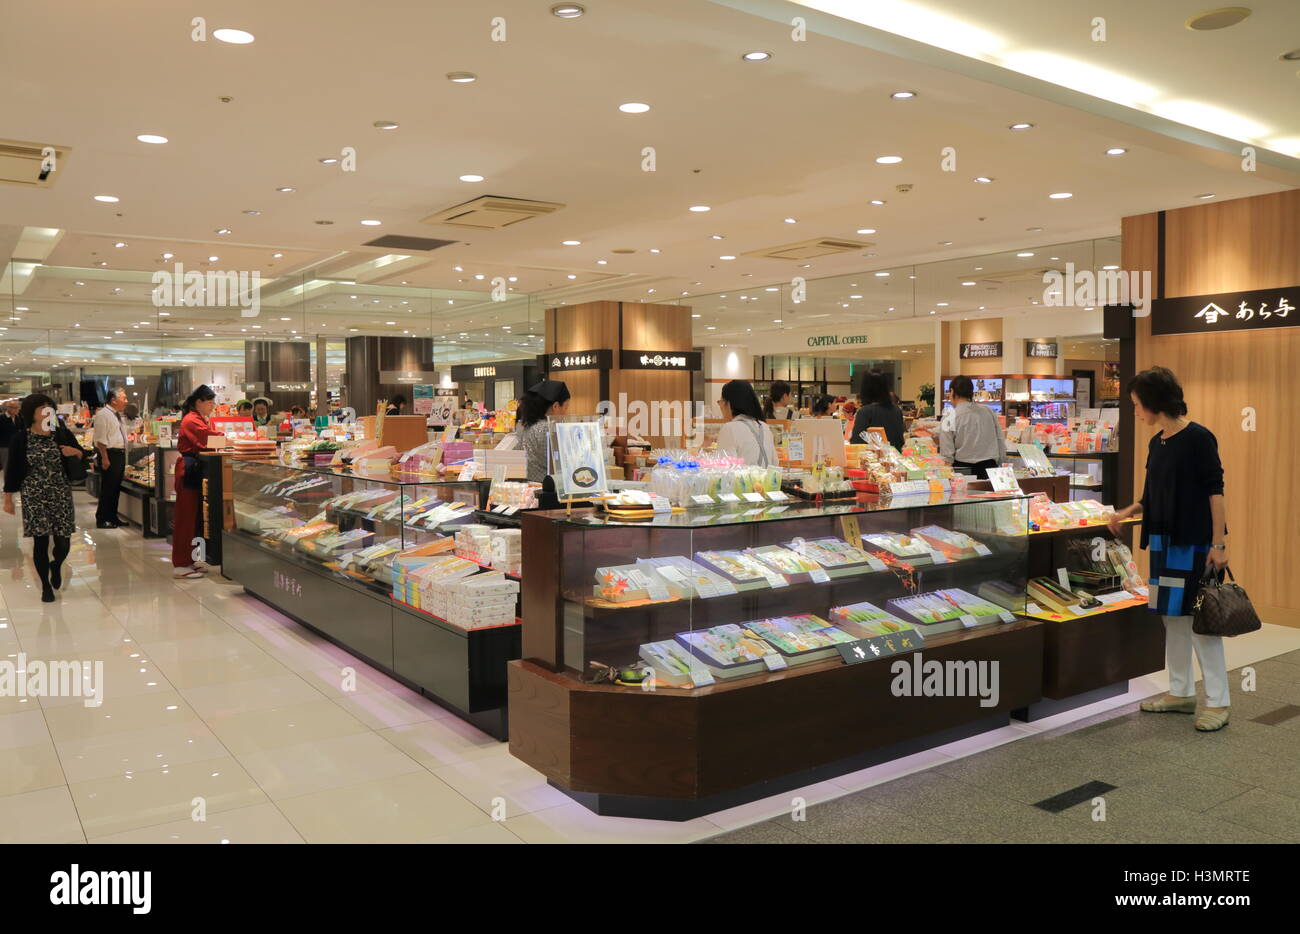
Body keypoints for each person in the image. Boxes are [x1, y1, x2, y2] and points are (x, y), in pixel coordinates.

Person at [1108, 367, 1230, 732]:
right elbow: (1153, 495)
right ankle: (1180, 692)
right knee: (1171, 618)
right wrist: (1131, 510)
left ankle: (1219, 702)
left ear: (1153, 404)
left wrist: (1219, 543)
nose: (1135, 412)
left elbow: (1216, 491)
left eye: (1136, 405)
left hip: (1192, 544)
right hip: (1162, 542)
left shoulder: (1198, 438)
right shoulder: (1156, 441)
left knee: (1198, 622)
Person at [3, 394, 83, 602]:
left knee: (63, 542)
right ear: (32, 413)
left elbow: (82, 455)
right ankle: (45, 586)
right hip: (34, 494)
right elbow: (12, 471)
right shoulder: (21, 439)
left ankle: (56, 565)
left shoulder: (61, 434)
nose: (47, 411)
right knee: (40, 541)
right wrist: (8, 498)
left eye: (50, 407)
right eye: (42, 408)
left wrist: (74, 451)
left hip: (60, 492)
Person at [172, 385, 216, 579]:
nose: (212, 406)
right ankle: (180, 564)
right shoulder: (191, 420)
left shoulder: (198, 418)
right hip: (188, 469)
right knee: (186, 518)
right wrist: (236, 439)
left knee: (194, 518)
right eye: (210, 402)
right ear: (199, 402)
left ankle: (190, 560)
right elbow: (208, 440)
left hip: (194, 469)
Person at [939, 375, 1006, 479]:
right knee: (989, 494)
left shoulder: (949, 416)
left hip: (963, 469)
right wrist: (1001, 463)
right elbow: (1000, 440)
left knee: (964, 495)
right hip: (990, 468)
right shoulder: (988, 411)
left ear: (952, 391)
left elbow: (947, 453)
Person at [515, 380, 570, 483]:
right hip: (548, 488)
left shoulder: (526, 425)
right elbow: (563, 463)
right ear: (555, 406)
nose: (566, 413)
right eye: (566, 407)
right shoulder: (549, 428)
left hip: (528, 487)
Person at [717, 380, 778, 467]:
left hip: (741, 480)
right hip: (767, 480)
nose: (720, 406)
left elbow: (724, 469)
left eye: (721, 401)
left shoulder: (729, 428)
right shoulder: (764, 426)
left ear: (729, 404)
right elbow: (775, 462)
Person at [92, 388, 129, 529]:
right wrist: (105, 458)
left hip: (119, 454)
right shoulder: (103, 415)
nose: (126, 401)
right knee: (108, 488)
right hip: (110, 454)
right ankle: (102, 519)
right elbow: (100, 440)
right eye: (123, 398)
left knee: (115, 488)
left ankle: (113, 517)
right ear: (113, 400)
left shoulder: (116, 415)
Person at [851, 371, 906, 449]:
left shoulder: (865, 412)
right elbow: (900, 441)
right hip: (896, 458)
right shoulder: (897, 410)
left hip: (874, 459)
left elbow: (856, 443)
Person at [0, 399, 19, 473]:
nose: (17, 409)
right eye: (14, 407)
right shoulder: (2, 418)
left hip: (16, 445)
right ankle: (7, 483)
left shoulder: (18, 418)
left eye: (17, 407)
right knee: (7, 467)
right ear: (8, 408)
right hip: (5, 446)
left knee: (16, 467)